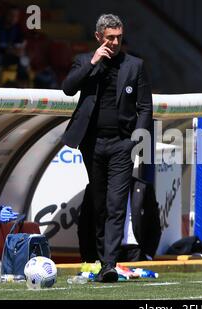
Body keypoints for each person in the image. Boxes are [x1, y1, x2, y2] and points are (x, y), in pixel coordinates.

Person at [62, 14, 153, 282]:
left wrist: (138, 139)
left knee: (116, 205)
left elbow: (145, 107)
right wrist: (93, 62)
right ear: (99, 37)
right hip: (92, 143)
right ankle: (101, 258)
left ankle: (109, 264)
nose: (115, 42)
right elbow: (68, 88)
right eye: (110, 38)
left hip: (121, 144)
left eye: (119, 38)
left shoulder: (135, 65)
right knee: (99, 204)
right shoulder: (83, 61)